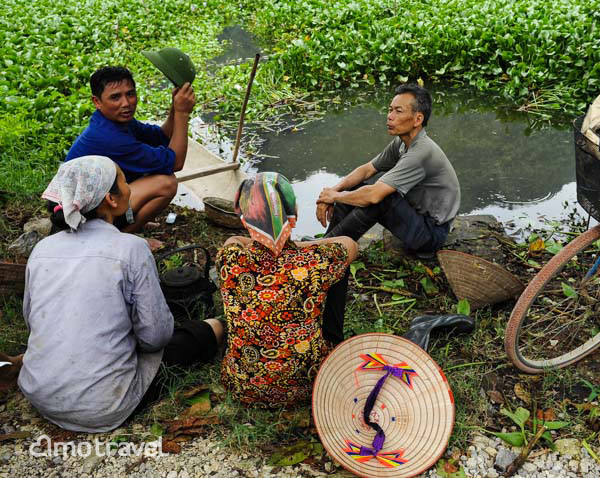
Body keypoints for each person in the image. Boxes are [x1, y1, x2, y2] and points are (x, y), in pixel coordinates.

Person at [8, 156, 223, 432]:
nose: (130, 188)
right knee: (200, 334)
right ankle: (220, 327)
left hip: (39, 394)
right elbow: (156, 337)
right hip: (102, 406)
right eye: (124, 181)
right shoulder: (130, 248)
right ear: (111, 199)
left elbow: (33, 321)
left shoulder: (43, 249)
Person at [217, 172, 358, 407]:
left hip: (243, 387)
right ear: (294, 216)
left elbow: (233, 239)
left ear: (243, 218)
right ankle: (333, 342)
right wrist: (302, 246)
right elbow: (350, 244)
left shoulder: (230, 259)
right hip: (309, 386)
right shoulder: (315, 262)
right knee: (338, 270)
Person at [316, 84, 460, 256]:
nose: (390, 117)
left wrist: (336, 197)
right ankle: (329, 242)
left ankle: (326, 249)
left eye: (398, 111)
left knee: (380, 198)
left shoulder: (421, 152)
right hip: (418, 218)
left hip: (431, 234)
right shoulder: (402, 143)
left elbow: (374, 195)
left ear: (417, 119)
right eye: (390, 110)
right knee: (354, 187)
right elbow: (367, 169)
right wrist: (333, 191)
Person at [66, 66, 195, 233]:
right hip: (80, 216)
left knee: (152, 170)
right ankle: (121, 237)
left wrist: (174, 107)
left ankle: (125, 221)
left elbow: (161, 136)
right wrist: (182, 113)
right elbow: (176, 162)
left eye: (130, 94)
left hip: (96, 200)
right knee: (166, 183)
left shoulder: (113, 120)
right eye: (115, 97)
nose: (126, 104)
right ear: (97, 102)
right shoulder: (109, 137)